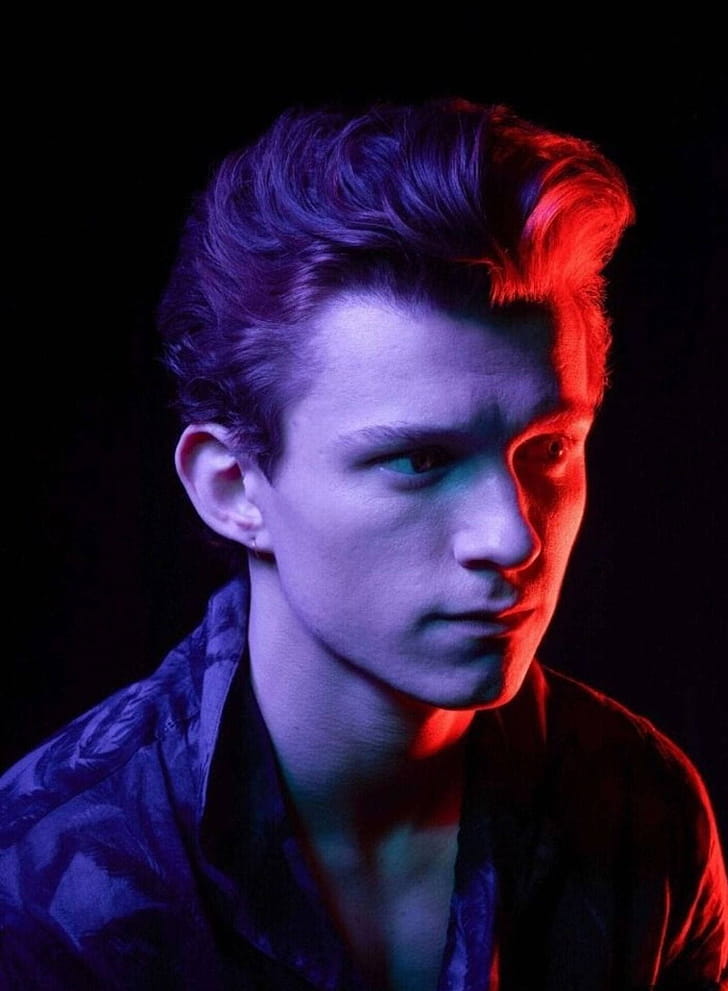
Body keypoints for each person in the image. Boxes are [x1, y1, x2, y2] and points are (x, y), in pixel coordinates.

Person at [1, 98, 726, 990]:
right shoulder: (40, 885)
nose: (511, 535)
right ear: (232, 488)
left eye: (548, 450)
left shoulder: (642, 815)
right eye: (419, 460)